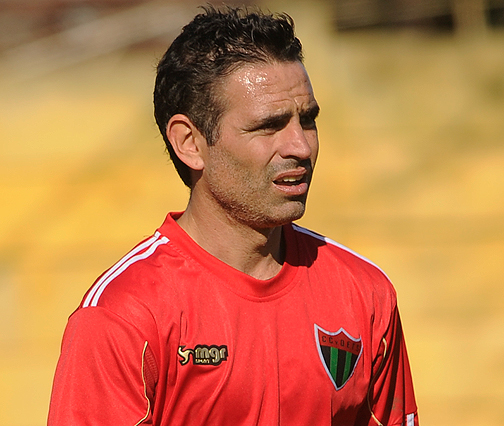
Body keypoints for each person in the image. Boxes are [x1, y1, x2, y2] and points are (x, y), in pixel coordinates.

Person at [48, 6, 418, 426]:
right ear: (190, 143)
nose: (300, 146)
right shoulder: (123, 316)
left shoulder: (364, 293)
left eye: (307, 120)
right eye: (268, 126)